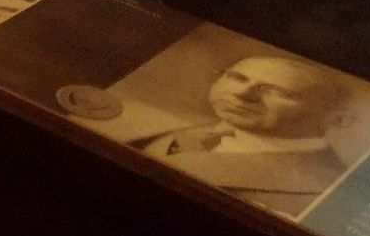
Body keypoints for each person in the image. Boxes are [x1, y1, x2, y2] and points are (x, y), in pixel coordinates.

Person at [134, 55, 350, 216]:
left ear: (334, 119)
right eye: (237, 77)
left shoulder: (323, 195)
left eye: (280, 92)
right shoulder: (163, 127)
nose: (242, 94)